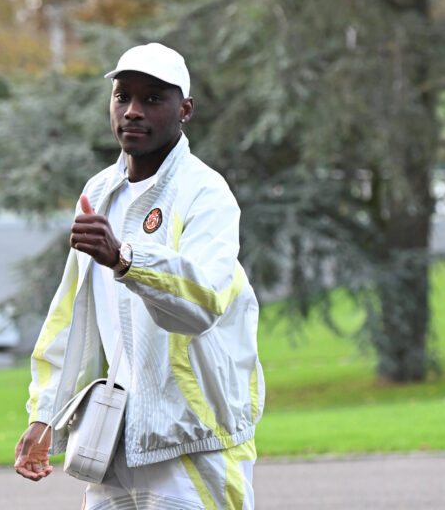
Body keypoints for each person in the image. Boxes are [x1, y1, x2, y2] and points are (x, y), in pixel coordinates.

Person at [14, 43, 265, 510]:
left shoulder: (207, 192)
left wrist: (126, 259)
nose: (132, 111)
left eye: (152, 99)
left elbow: (202, 302)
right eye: (122, 96)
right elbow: (73, 317)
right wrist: (45, 415)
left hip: (196, 444)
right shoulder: (98, 192)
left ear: (184, 109)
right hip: (116, 443)